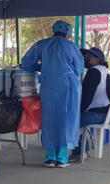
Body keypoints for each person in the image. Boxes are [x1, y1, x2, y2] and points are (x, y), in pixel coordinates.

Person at [21, 20, 84, 168]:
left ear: (53, 30)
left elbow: (26, 63)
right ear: (68, 33)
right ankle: (62, 158)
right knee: (67, 119)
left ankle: (50, 157)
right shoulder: (71, 46)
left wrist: (42, 67)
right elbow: (79, 69)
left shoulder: (42, 44)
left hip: (49, 85)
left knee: (49, 119)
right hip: (69, 86)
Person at [70, 47, 110, 161]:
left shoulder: (93, 72)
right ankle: (84, 150)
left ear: (98, 59)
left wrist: (78, 112)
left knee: (72, 120)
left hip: (101, 115)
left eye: (92, 56)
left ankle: (79, 152)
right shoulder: (105, 71)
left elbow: (87, 97)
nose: (88, 58)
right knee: (78, 118)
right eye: (87, 56)